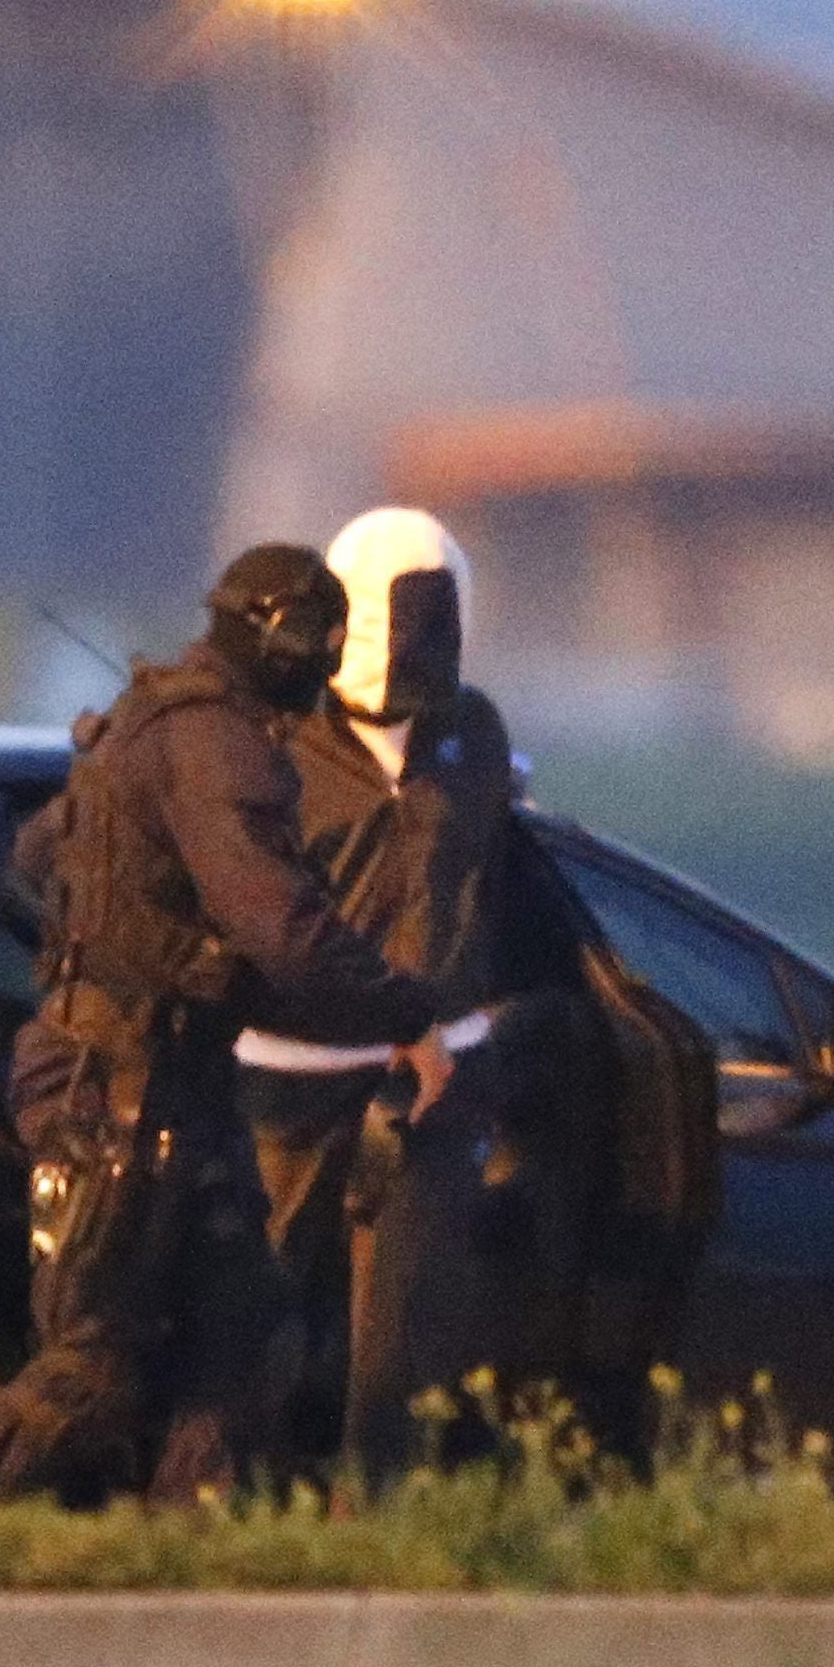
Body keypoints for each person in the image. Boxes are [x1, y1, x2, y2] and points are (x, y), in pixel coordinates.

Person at [0, 544, 450, 1505]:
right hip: (121, 1091)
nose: (330, 661)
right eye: (321, 637)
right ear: (274, 637)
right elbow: (289, 934)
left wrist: (135, 942)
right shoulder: (220, 749)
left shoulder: (153, 720)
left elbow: (34, 858)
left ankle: (192, 1560)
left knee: (245, 1326)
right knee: (95, 1356)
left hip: (164, 1078)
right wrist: (410, 1016)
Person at [233, 509, 582, 1468]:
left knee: (407, 1342)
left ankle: (382, 1532)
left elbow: (496, 876)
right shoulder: (278, 735)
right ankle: (247, 1520)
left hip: (438, 1078)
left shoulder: (474, 731)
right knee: (261, 1319)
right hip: (286, 1074)